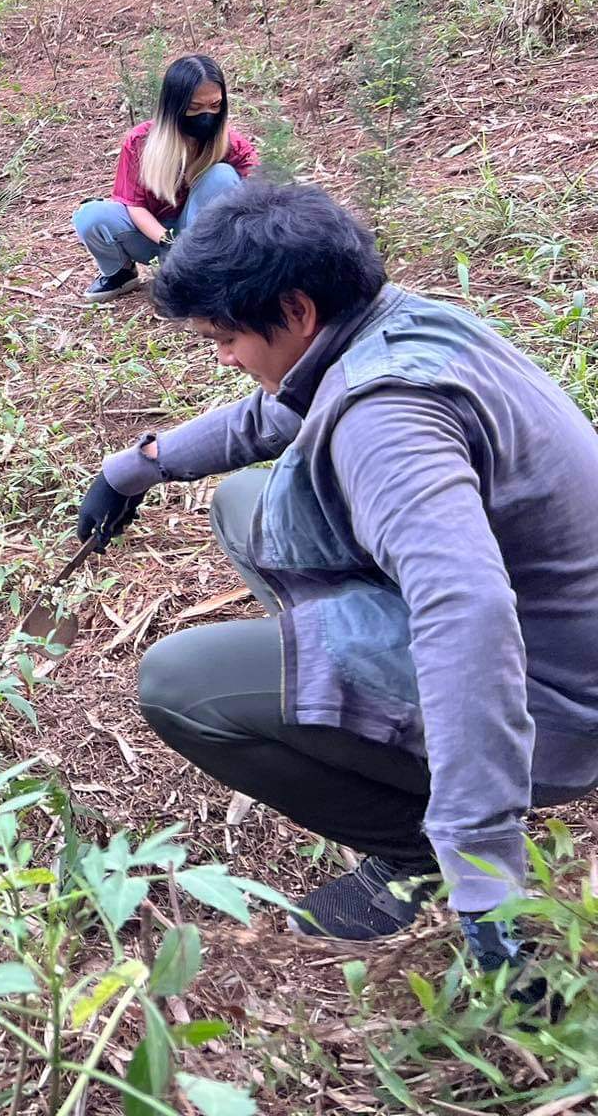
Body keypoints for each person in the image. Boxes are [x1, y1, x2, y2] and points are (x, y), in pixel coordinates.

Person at [74, 182, 598, 974]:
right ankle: (370, 717)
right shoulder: (395, 323)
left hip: (554, 701)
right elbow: (282, 411)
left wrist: (483, 872)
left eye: (225, 337)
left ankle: (411, 858)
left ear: (296, 311)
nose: (223, 356)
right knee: (249, 501)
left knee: (184, 684)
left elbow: (468, 611)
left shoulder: (386, 416)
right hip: (558, 636)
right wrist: (136, 468)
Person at [72, 54, 257, 303]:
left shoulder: (229, 142)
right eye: (194, 107)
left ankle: (209, 269)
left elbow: (259, 187)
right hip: (153, 237)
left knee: (222, 175)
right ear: (174, 106)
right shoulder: (140, 142)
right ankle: (120, 272)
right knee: (90, 215)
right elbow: (134, 205)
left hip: (202, 239)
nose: (206, 115)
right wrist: (170, 242)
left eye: (215, 106)